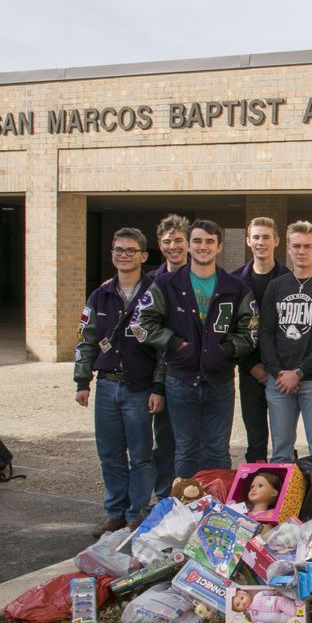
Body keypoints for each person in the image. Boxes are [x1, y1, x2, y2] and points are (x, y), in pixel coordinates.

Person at [134, 219, 256, 477]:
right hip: (181, 380)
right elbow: (140, 324)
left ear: (219, 246)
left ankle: (216, 511)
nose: (203, 246)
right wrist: (174, 343)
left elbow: (252, 331)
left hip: (219, 381)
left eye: (210, 241)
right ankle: (186, 509)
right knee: (186, 450)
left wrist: (225, 351)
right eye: (197, 241)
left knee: (218, 450)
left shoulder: (235, 288)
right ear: (188, 246)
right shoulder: (167, 285)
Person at [74, 228, 163, 536]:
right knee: (110, 454)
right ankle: (114, 512)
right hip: (107, 385)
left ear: (143, 256)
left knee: (141, 455)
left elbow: (163, 348)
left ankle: (136, 513)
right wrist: (82, 380)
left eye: (130, 250)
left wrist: (158, 387)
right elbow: (86, 339)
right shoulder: (101, 295)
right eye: (118, 250)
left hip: (139, 387)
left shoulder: (156, 292)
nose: (123, 255)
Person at [257, 220, 312, 463]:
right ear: (288, 248)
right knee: (280, 452)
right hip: (279, 381)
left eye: (307, 246)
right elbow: (265, 333)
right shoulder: (276, 286)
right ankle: (285, 501)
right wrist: (279, 372)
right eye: (296, 246)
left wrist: (300, 372)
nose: (301, 251)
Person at [231, 217, 290, 463]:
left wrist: (277, 369)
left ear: (276, 241)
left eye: (266, 237)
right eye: (256, 237)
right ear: (248, 241)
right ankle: (257, 496)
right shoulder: (234, 282)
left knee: (284, 440)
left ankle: (287, 496)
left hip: (282, 372)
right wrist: (251, 366)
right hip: (250, 370)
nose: (261, 242)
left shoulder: (290, 279)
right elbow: (229, 330)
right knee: (256, 441)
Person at [147, 214, 189, 502]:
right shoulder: (150, 282)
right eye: (166, 241)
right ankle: (164, 498)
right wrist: (172, 343)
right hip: (160, 374)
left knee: (191, 443)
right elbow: (143, 328)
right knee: (164, 442)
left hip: (194, 374)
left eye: (178, 240)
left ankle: (195, 498)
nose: (172, 246)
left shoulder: (204, 279)